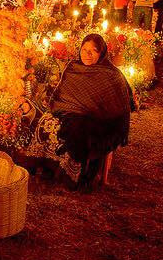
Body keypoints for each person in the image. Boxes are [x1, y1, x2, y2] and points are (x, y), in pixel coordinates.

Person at [48, 34, 134, 189]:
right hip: (73, 115)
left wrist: (89, 112)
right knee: (70, 125)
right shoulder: (73, 68)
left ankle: (83, 176)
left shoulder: (111, 75)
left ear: (101, 53)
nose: (87, 55)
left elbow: (119, 107)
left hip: (103, 120)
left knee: (86, 131)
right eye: (84, 49)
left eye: (93, 51)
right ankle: (55, 169)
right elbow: (63, 96)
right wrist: (75, 110)